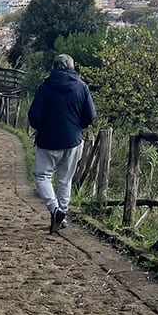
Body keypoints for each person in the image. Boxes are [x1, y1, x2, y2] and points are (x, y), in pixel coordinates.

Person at [26, 53, 96, 233]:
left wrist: (43, 126)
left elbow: (34, 117)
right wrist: (76, 127)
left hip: (47, 140)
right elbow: (91, 116)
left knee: (42, 176)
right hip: (72, 141)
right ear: (72, 67)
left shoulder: (45, 87)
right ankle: (62, 215)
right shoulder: (82, 87)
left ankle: (55, 209)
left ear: (54, 67)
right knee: (65, 179)